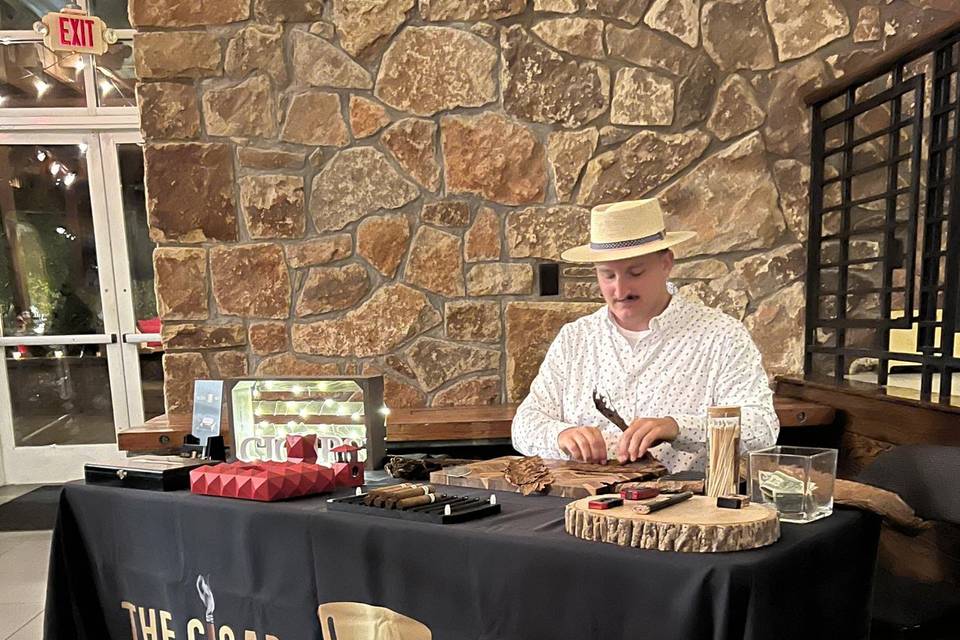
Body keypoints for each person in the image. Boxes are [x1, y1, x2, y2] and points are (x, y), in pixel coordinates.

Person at [511, 198, 779, 473]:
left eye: (635, 272)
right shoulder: (575, 340)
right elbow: (523, 425)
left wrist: (678, 427)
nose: (620, 289)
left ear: (666, 263)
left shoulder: (721, 337)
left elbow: (762, 429)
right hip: (584, 509)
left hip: (686, 509)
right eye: (608, 276)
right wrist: (562, 435)